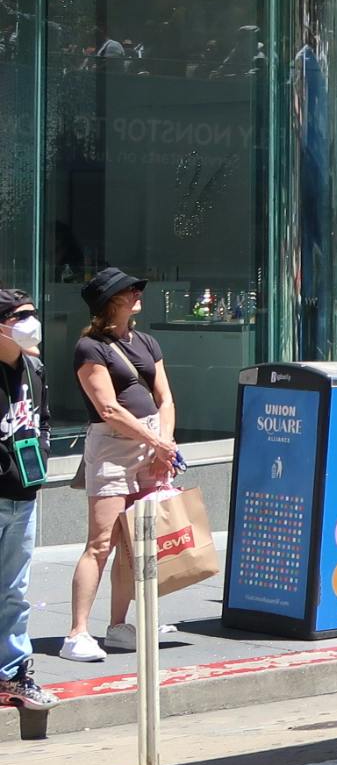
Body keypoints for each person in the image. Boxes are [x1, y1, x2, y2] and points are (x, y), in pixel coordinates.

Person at [61, 267, 180, 663]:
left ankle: (118, 626)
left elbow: (165, 397)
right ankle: (77, 632)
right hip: (114, 448)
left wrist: (166, 443)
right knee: (101, 543)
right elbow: (107, 408)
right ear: (111, 302)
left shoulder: (146, 341)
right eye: (129, 291)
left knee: (137, 544)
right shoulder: (90, 348)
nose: (137, 294)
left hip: (151, 444)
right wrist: (158, 442)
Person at [0, 290, 54, 710]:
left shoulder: (33, 368)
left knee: (14, 591)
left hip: (24, 495)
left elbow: (43, 420)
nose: (30, 322)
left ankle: (13, 672)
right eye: (20, 315)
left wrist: (43, 455)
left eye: (32, 313)